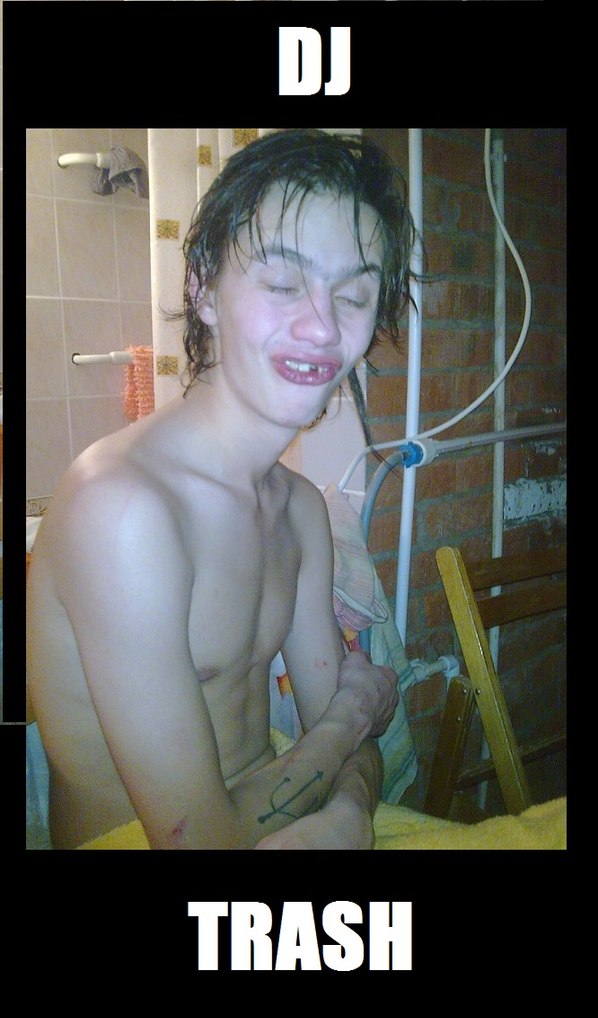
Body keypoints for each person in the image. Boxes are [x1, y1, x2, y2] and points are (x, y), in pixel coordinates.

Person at [26, 129, 416, 850]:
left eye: (354, 294)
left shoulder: (301, 510)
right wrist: (349, 725)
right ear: (203, 287)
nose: (322, 327)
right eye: (283, 283)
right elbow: (201, 837)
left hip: (295, 808)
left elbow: (350, 744)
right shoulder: (123, 511)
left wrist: (350, 809)